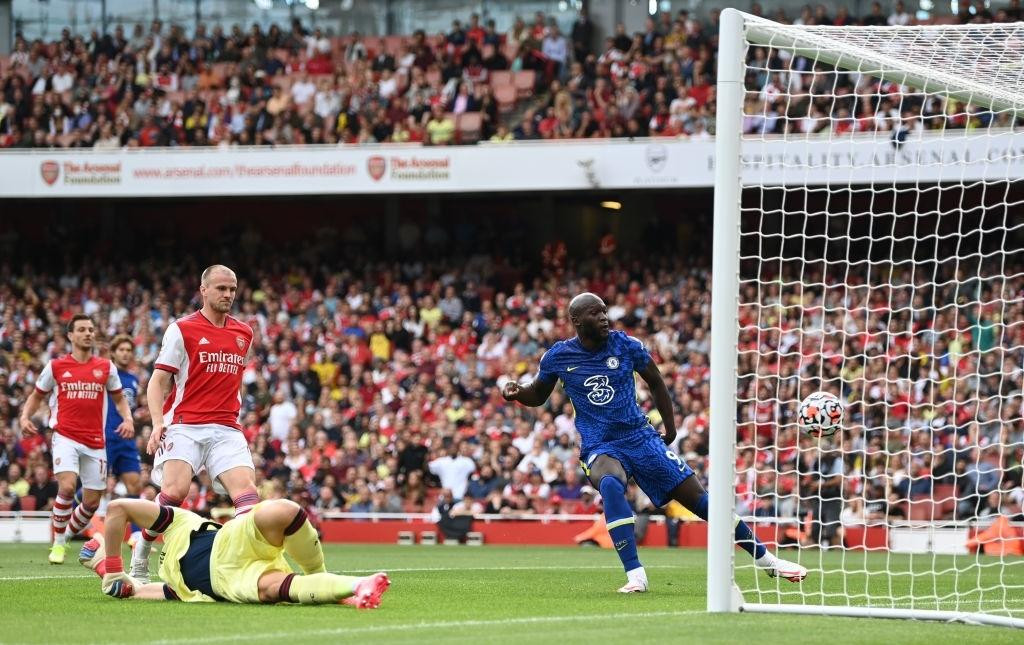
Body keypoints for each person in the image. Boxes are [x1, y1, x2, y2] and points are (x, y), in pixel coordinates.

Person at [501, 292, 807, 593]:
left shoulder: (626, 345)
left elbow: (656, 381)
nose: (604, 317)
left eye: (605, 311)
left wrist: (670, 427)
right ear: (577, 321)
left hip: (640, 437)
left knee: (700, 501)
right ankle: (636, 575)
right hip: (600, 444)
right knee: (610, 483)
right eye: (596, 313)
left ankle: (768, 561)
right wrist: (518, 393)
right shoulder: (558, 356)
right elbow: (538, 394)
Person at [133, 264, 259, 582]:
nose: (228, 294)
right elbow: (157, 381)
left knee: (248, 495)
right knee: (174, 493)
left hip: (227, 428)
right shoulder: (182, 330)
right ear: (203, 290)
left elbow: (233, 380)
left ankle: (244, 564)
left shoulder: (245, 333)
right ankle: (142, 548)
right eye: (221, 288)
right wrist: (158, 422)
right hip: (186, 424)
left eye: (232, 289)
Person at [78, 497, 390, 607]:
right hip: (227, 582)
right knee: (272, 591)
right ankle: (356, 585)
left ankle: (320, 576)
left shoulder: (181, 521)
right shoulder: (173, 586)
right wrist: (106, 570)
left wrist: (113, 567)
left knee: (281, 510)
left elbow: (118, 508)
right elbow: (135, 592)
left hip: (230, 542)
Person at [18, 314, 134, 564]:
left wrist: (128, 419)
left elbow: (119, 399)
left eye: (91, 329)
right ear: (70, 335)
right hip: (65, 436)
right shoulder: (56, 366)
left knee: (92, 502)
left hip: (96, 441)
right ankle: (58, 544)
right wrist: (25, 416)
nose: (88, 333)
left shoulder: (106, 367)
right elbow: (37, 395)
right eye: (82, 329)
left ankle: (65, 536)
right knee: (68, 487)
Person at [104, 334, 143, 534]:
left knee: (135, 485)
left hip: (126, 440)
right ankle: (67, 520)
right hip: (106, 438)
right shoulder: (106, 375)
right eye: (121, 350)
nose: (126, 354)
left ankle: (136, 536)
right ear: (113, 352)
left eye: (129, 350)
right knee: (96, 488)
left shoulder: (134, 379)